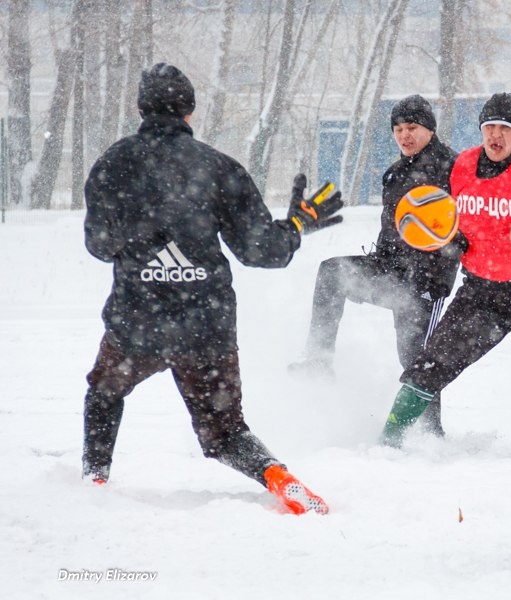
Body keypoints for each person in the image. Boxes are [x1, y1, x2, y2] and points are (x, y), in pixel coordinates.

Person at [82, 63, 341, 516]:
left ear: (141, 108)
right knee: (225, 434)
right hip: (205, 328)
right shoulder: (218, 167)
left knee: (105, 393)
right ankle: (282, 482)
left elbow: (99, 245)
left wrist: (143, 226)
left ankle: (93, 481)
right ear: (189, 111)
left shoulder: (113, 163)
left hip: (136, 326)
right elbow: (264, 252)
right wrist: (299, 222)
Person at [379, 92, 511, 447]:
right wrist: (451, 240)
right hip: (481, 294)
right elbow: (443, 217)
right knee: (431, 366)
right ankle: (387, 440)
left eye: (504, 128)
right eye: (489, 126)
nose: (495, 135)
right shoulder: (461, 166)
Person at [289, 95, 459, 434]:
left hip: (428, 281)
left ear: (430, 129)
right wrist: (378, 262)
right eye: (397, 129)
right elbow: (390, 229)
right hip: (391, 270)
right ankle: (319, 360)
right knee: (332, 272)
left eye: (412, 127)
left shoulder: (454, 169)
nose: (404, 135)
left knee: (414, 359)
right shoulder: (394, 174)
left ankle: (431, 433)